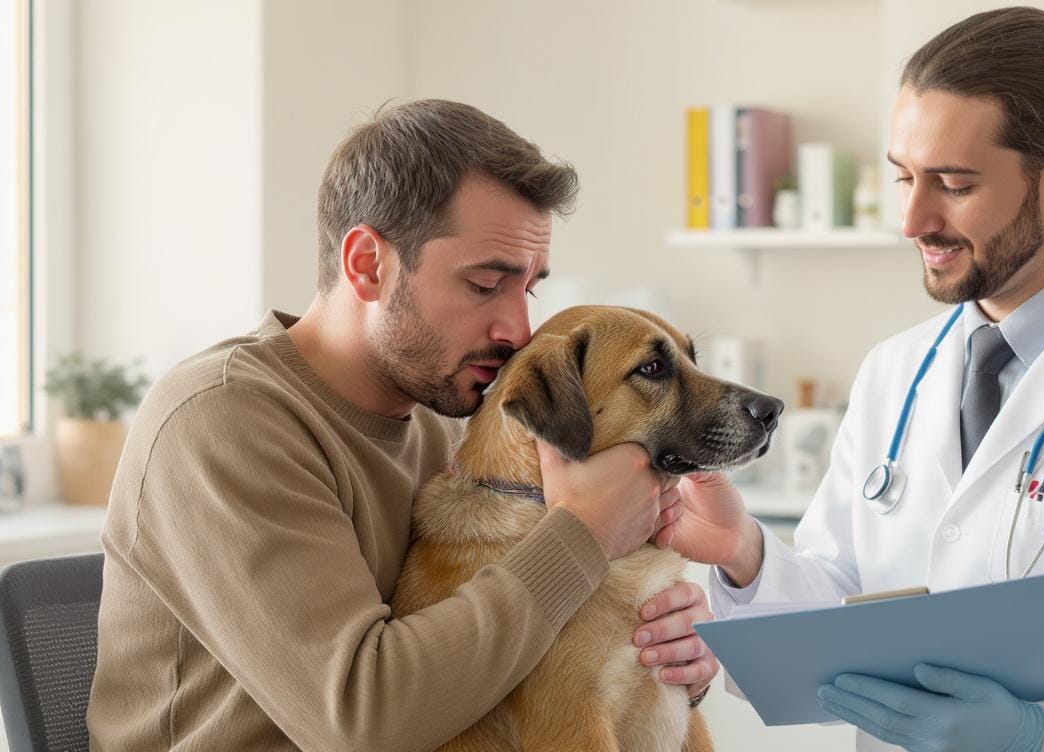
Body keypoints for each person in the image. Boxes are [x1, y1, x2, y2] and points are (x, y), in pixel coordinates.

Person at [655, 7, 1044, 751]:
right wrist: (747, 554)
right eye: (903, 178)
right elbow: (846, 614)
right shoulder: (895, 371)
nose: (913, 220)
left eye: (953, 184)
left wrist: (1043, 735)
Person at [87, 99, 716, 750]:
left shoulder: (443, 427)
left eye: (526, 289)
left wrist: (663, 661)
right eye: (483, 285)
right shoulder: (221, 423)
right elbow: (362, 720)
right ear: (366, 263)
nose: (519, 331)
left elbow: (499, 660)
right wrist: (583, 537)